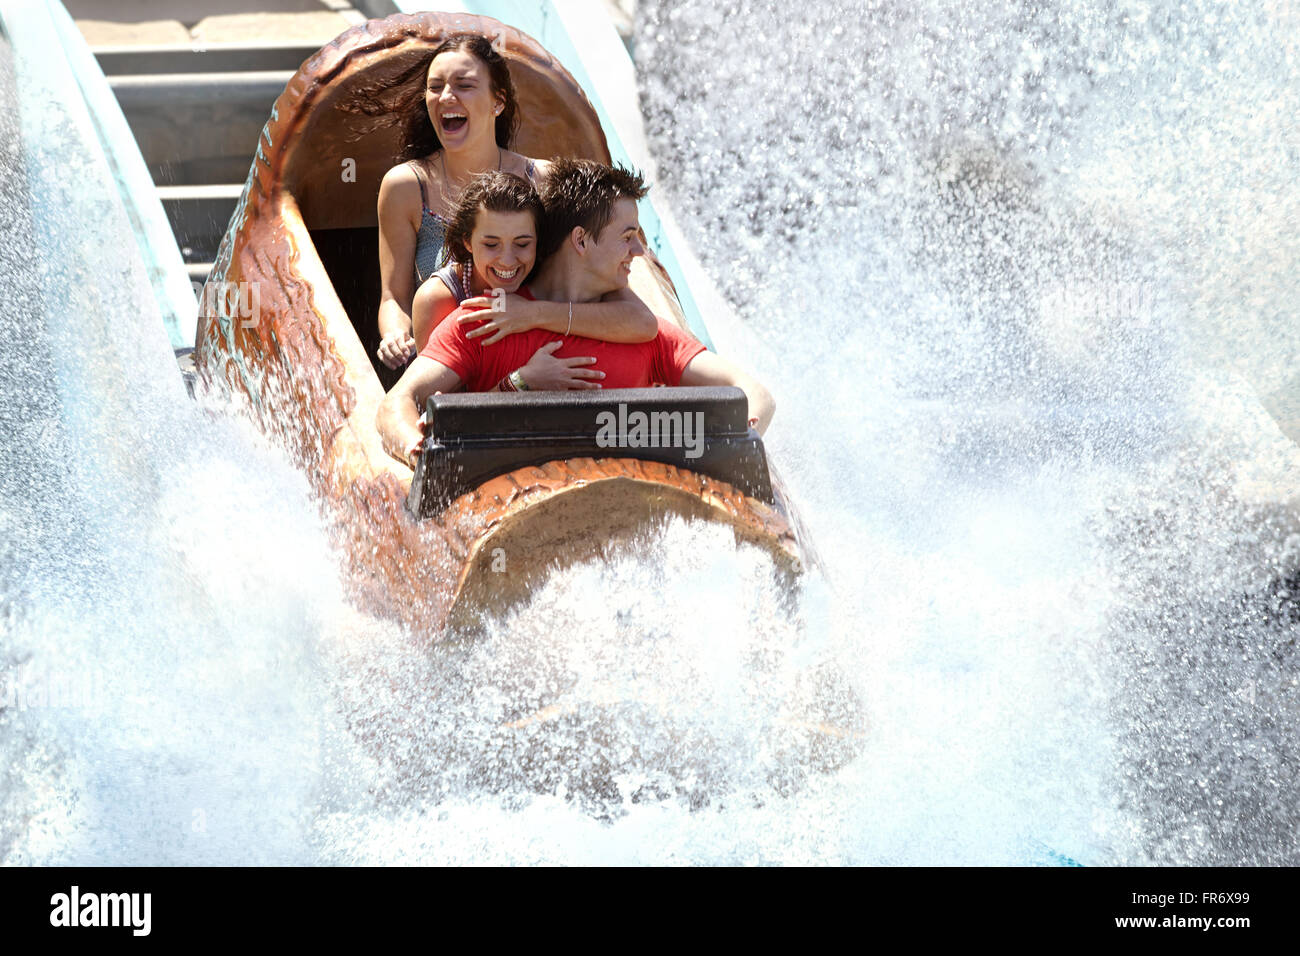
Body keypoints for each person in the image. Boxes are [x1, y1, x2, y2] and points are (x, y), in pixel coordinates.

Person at [377, 160, 774, 469]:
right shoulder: (484, 322)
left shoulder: (643, 334)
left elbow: (753, 393)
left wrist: (740, 439)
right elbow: (396, 405)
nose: (639, 252)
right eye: (627, 236)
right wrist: (419, 449)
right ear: (580, 240)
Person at [376, 32, 548, 370]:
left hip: (535, 361)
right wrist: (395, 335)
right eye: (435, 87)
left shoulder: (539, 180)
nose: (446, 97)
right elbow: (393, 298)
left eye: (464, 85)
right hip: (445, 367)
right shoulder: (406, 186)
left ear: (497, 102)